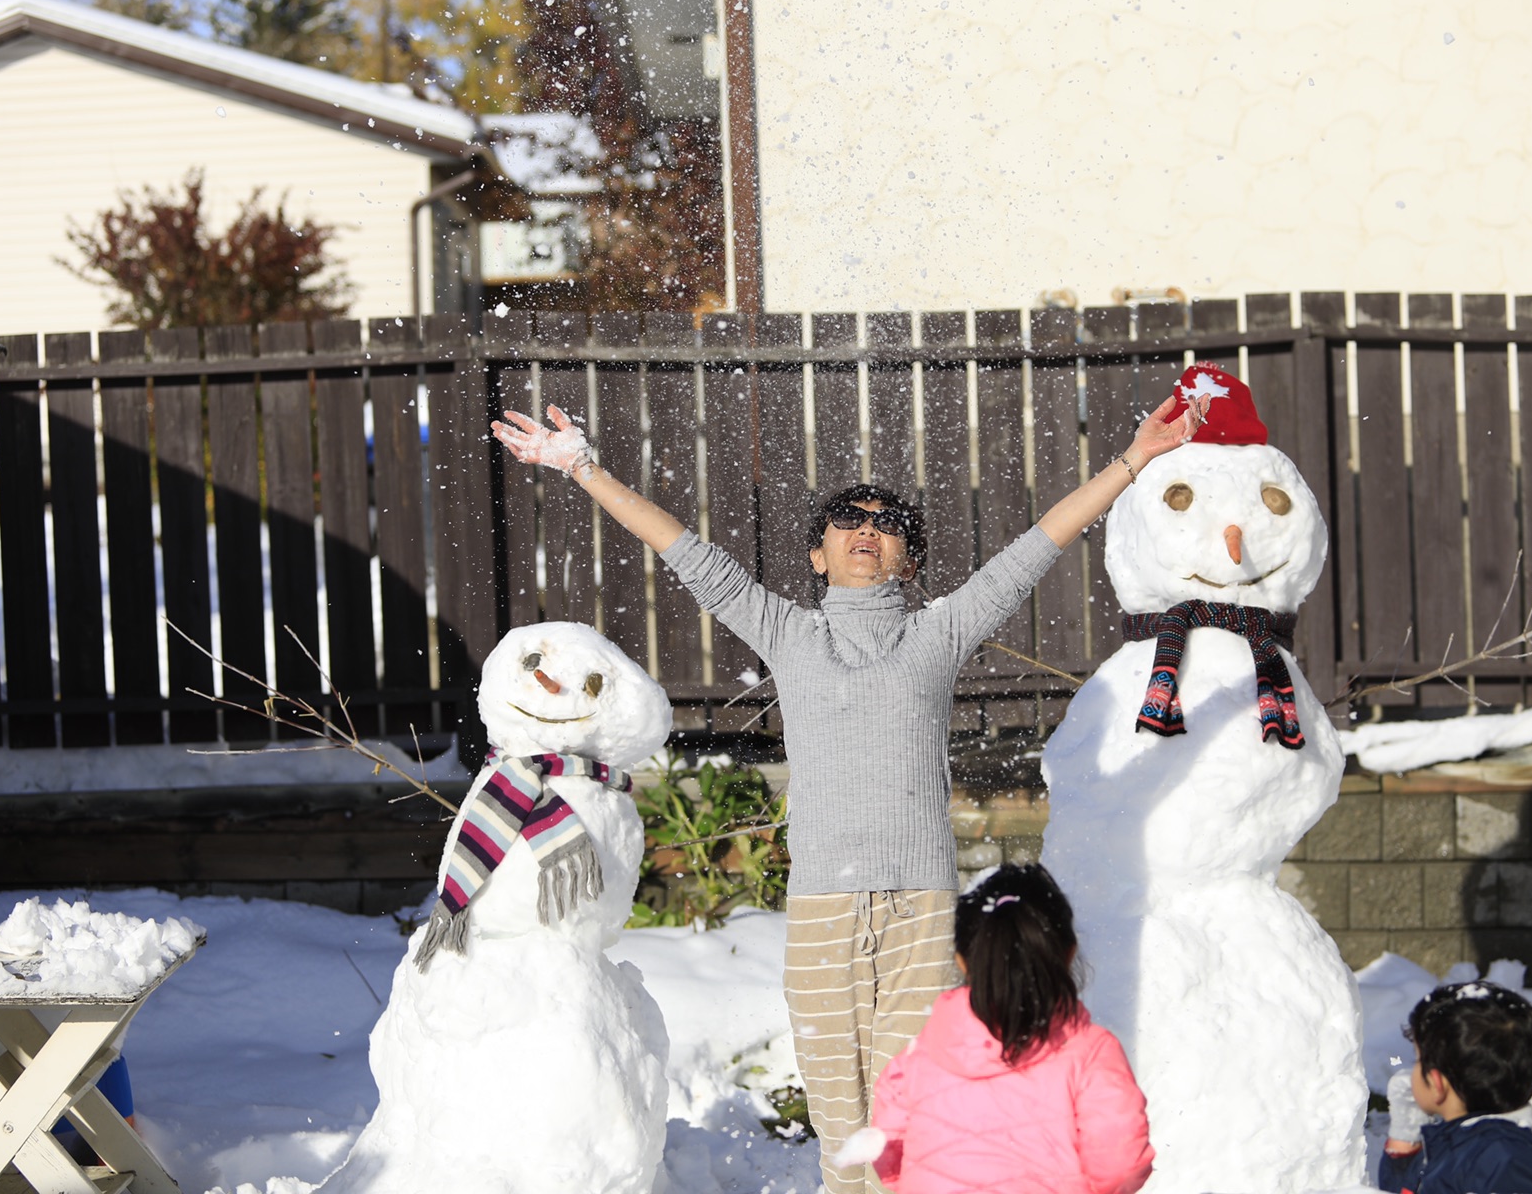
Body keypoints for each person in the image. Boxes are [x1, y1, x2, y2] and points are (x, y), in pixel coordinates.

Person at [489, 391, 1202, 1194]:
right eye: (848, 517)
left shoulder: (939, 633)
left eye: (888, 521)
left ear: (909, 559)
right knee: (842, 1131)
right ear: (819, 554)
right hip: (825, 906)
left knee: (911, 1127)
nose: (868, 527)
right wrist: (584, 469)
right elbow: (683, 548)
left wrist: (1133, 461)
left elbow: (1037, 547)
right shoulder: (788, 632)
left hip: (922, 911)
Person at [849, 863, 1154, 1194]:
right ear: (1069, 954)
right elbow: (1121, 1166)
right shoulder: (1092, 1052)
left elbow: (888, 1149)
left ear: (962, 960)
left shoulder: (920, 1056)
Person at [1378, 981, 1532, 1194]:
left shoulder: (1504, 1156)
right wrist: (1405, 1134)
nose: (1411, 1072)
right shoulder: (1459, 1143)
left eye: (1417, 1060)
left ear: (1437, 1084)